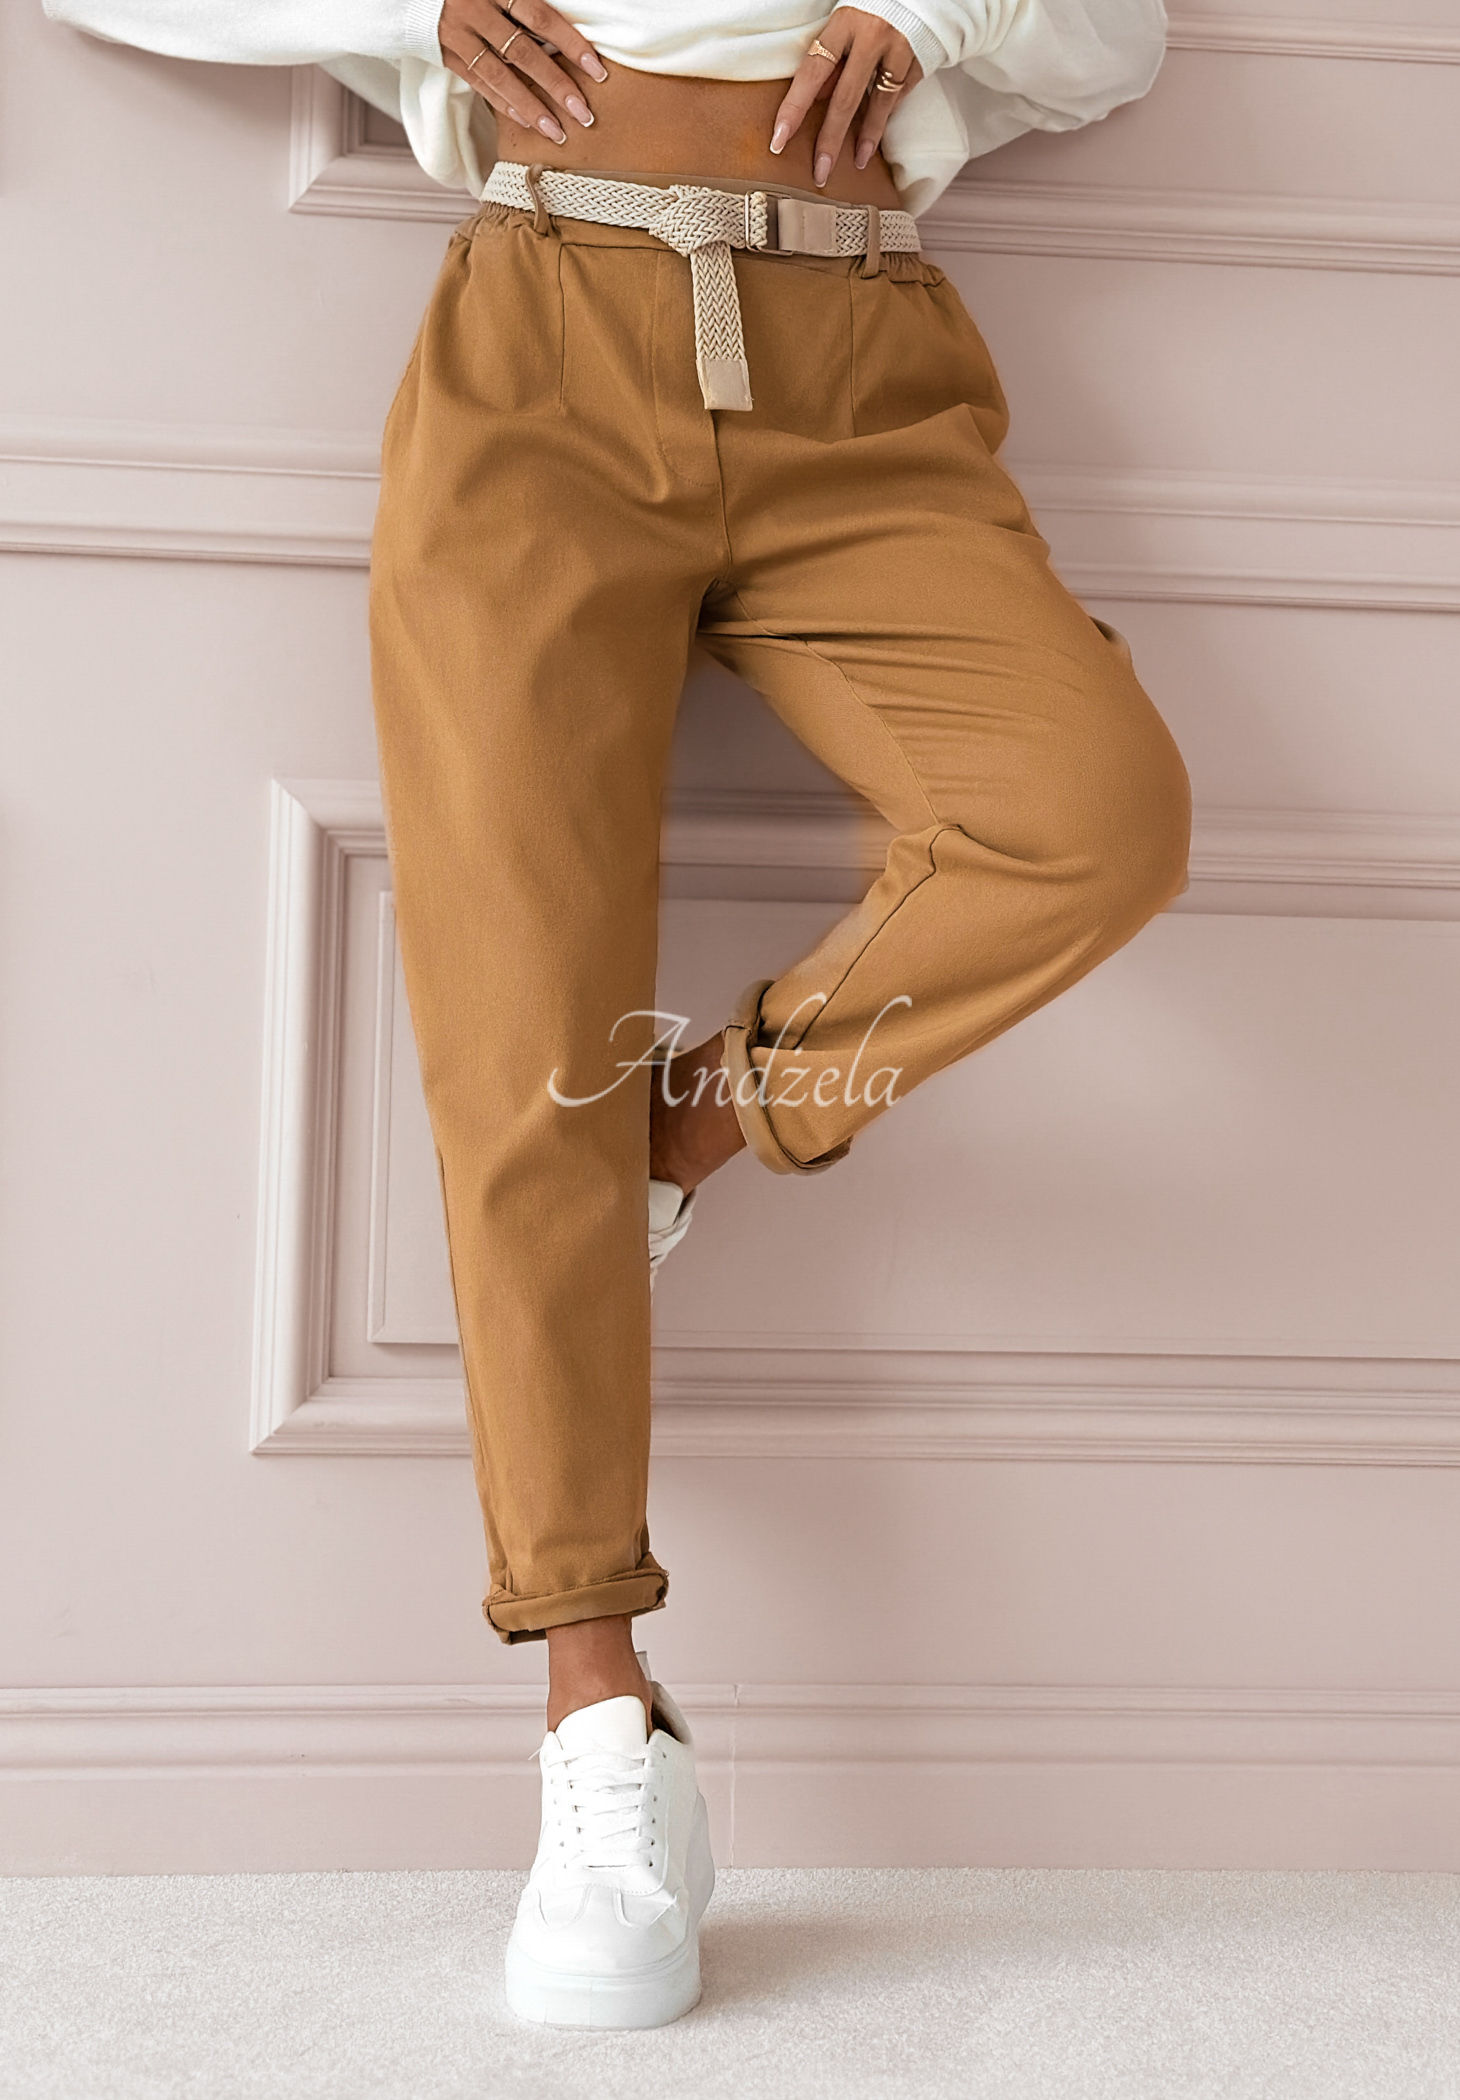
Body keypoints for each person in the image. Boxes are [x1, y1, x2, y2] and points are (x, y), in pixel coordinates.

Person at [44, 0, 1190, 2028]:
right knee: (514, 1024)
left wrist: (939, 19)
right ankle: (600, 1726)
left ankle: (679, 1125)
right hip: (542, 343)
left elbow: (1120, 33)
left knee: (1089, 819)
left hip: (861, 363)